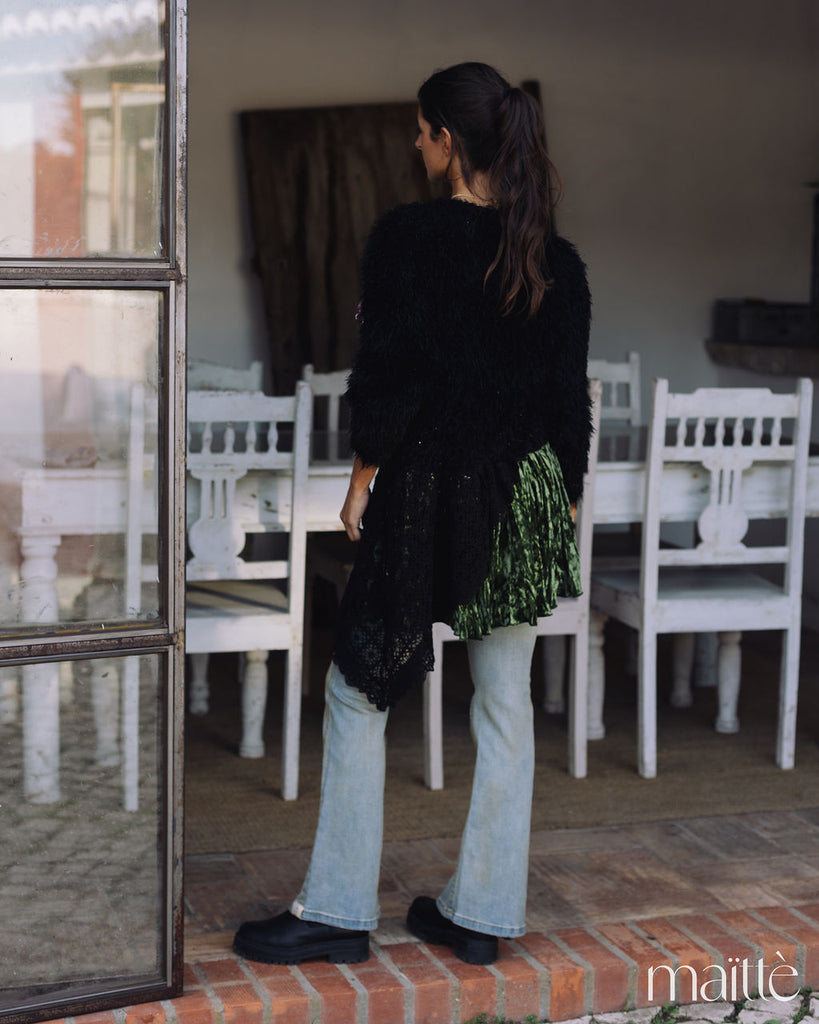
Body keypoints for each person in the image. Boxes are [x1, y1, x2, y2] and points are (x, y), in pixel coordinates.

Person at [233, 61, 592, 968]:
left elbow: (389, 376)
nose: (413, 143)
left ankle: (337, 910)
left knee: (357, 688)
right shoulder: (555, 258)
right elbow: (567, 406)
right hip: (525, 494)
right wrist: (564, 503)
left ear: (446, 139)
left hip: (430, 490)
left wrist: (361, 477)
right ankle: (481, 916)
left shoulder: (409, 238)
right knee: (504, 702)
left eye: (420, 130)